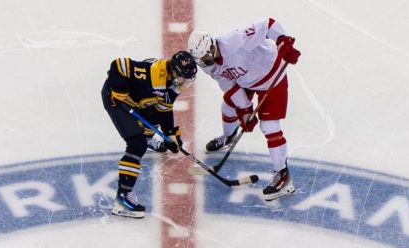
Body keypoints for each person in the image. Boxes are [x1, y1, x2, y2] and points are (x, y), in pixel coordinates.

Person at [187, 21, 301, 201]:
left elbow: (269, 25)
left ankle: (283, 174)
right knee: (228, 107)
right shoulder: (207, 63)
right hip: (246, 81)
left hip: (273, 77)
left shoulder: (236, 40)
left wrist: (283, 41)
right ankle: (228, 137)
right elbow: (229, 87)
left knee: (269, 127)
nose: (204, 63)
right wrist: (245, 110)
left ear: (211, 48)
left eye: (205, 58)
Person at [101, 51, 198, 219]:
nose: (184, 82)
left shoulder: (173, 84)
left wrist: (171, 134)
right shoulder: (150, 73)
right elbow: (119, 64)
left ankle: (148, 138)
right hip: (116, 102)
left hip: (139, 101)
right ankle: (122, 198)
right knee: (136, 144)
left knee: (153, 114)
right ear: (173, 71)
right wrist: (118, 90)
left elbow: (164, 109)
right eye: (183, 77)